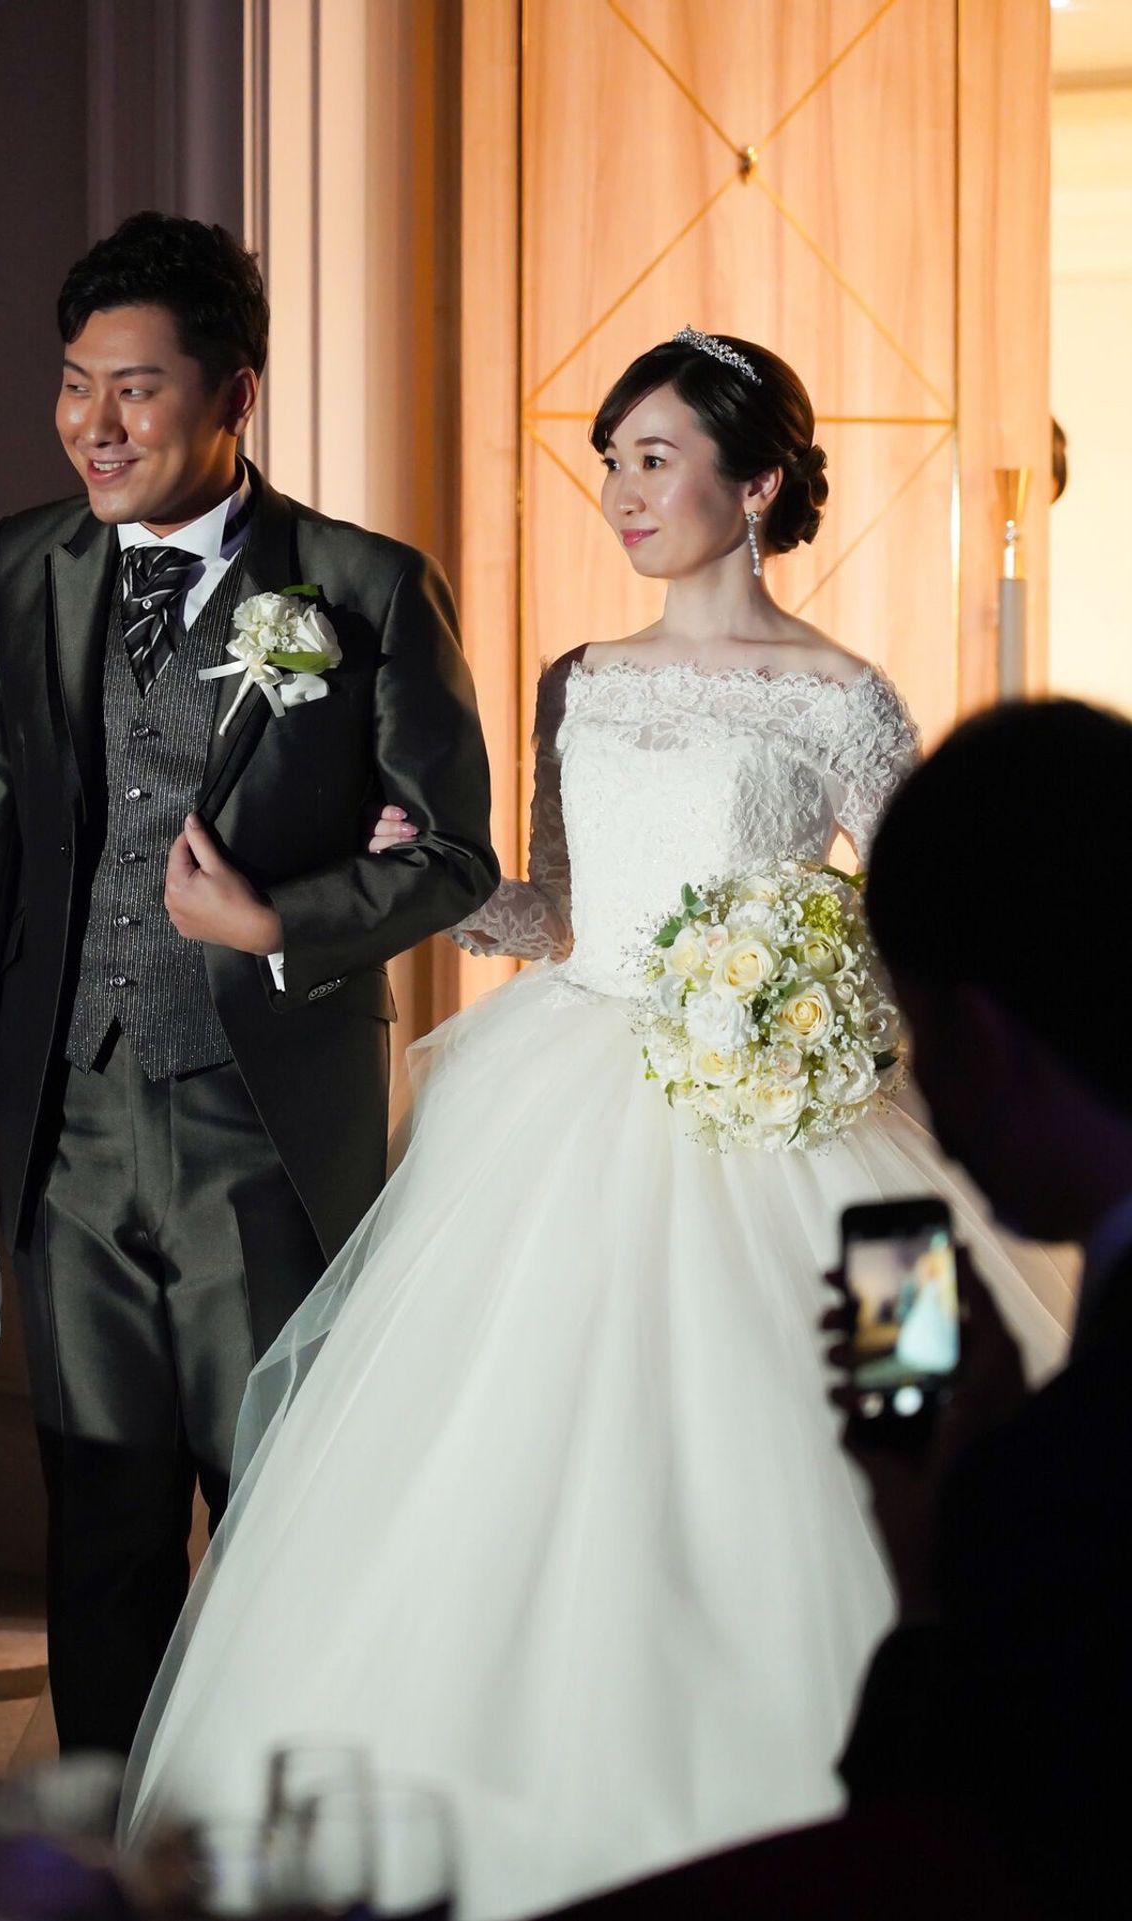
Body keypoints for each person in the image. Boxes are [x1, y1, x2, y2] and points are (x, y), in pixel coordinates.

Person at [118, 331, 1069, 1917]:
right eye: (611, 460)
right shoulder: (579, 677)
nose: (621, 490)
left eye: (655, 458)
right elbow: (560, 914)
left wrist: (811, 1005)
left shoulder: (843, 698)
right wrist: (428, 882)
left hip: (799, 1119)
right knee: (499, 1479)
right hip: (562, 1103)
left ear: (756, 484)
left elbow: (931, 922)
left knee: (875, 1431)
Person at [0, 211, 498, 1759]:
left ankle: (273, 1833)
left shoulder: (365, 587)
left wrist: (276, 920)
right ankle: (109, 1838)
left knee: (277, 1518)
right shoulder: (26, 564)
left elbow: (456, 857)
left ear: (235, 395)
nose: (93, 425)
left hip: (261, 1124)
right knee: (98, 1519)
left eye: (137, 388)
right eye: (75, 385)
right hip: (69, 1125)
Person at [831, 697, 1132, 1918]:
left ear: (976, 1037)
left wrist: (926, 1562)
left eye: (914, 1036)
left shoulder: (1050, 1487)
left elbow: (950, 1840)